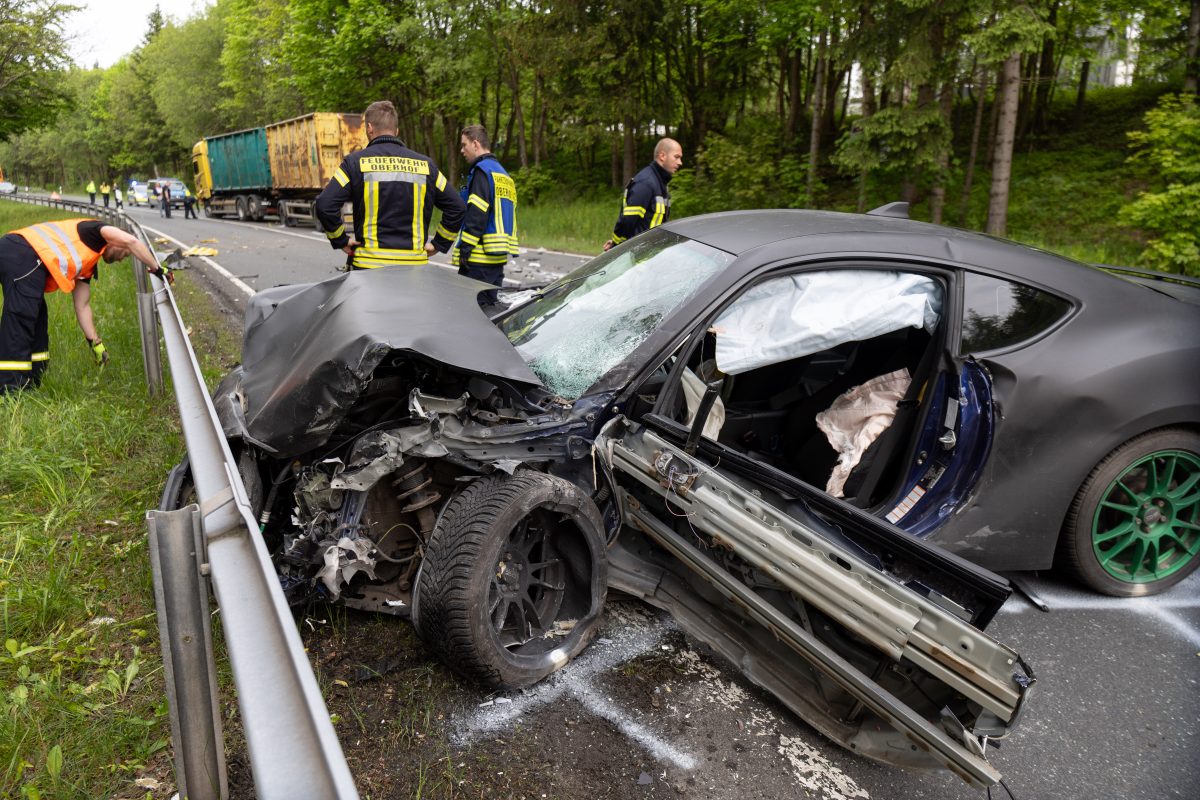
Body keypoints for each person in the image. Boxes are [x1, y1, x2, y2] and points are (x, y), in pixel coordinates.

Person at [0, 218, 167, 393]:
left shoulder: (87, 262)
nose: (120, 260)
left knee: (37, 320)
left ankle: (32, 381)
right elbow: (132, 241)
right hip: (22, 253)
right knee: (21, 320)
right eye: (125, 255)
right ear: (119, 242)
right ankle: (10, 389)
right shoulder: (94, 230)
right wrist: (157, 269)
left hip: (25, 258)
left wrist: (94, 343)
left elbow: (82, 306)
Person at [315, 100, 465, 269]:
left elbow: (324, 204)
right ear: (397, 131)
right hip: (414, 269)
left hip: (368, 267)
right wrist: (439, 243)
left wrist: (341, 240)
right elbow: (458, 207)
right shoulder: (426, 166)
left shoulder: (355, 163)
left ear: (369, 128)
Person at [452, 125, 517, 306]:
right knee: (489, 314)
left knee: (469, 314)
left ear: (475, 144)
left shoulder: (482, 171)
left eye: (464, 145)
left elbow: (478, 212)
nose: (462, 150)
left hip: (478, 259)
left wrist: (466, 248)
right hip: (497, 259)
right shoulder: (503, 174)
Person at [603, 138, 683, 251]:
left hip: (650, 253)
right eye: (676, 157)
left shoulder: (660, 183)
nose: (680, 162)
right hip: (638, 254)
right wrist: (616, 246)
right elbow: (628, 221)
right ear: (662, 156)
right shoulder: (646, 182)